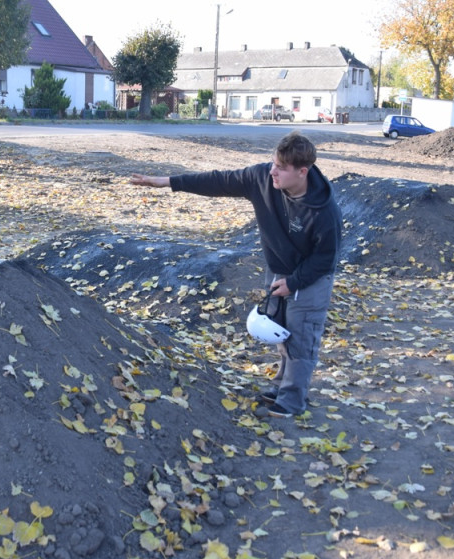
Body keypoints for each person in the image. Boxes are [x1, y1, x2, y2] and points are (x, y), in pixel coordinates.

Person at [130, 131, 342, 418]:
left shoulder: (324, 211)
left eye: (280, 168)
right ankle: (282, 386)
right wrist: (168, 182)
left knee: (302, 338)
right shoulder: (262, 180)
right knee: (282, 332)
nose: (272, 171)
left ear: (302, 172)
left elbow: (326, 259)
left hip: (310, 278)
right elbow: (219, 180)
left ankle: (293, 402)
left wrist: (294, 283)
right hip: (280, 269)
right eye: (272, 163)